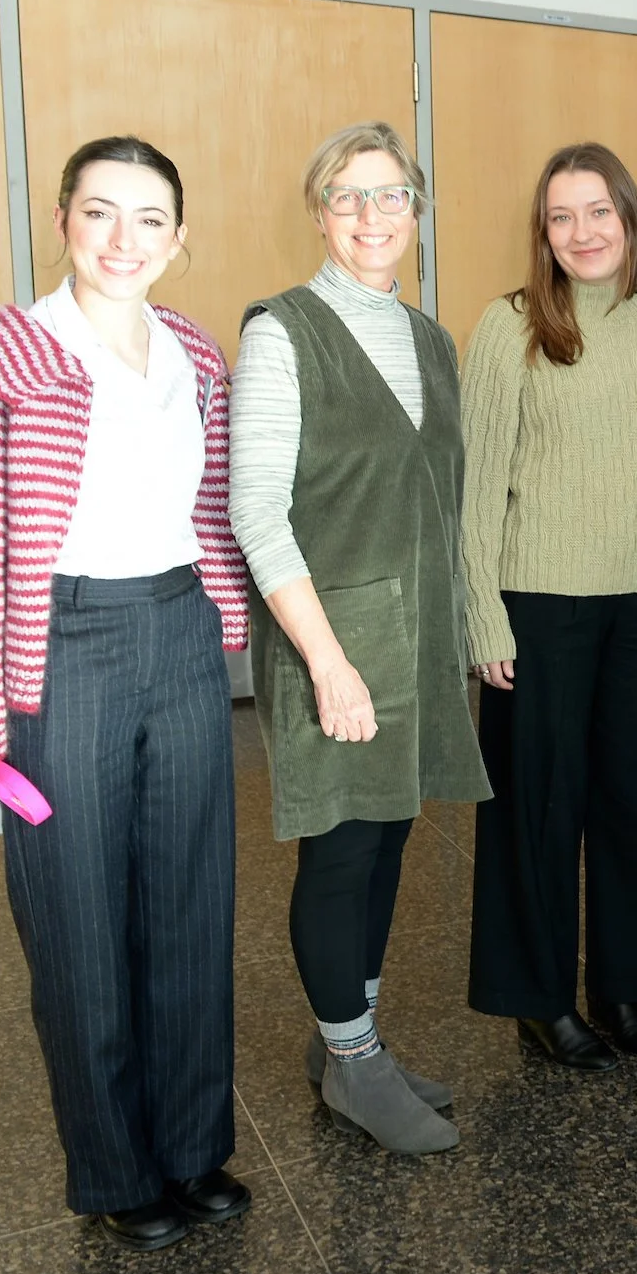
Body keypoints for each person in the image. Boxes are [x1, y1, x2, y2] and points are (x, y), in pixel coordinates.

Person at [0, 136, 250, 1250]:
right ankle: (114, 1171)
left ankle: (194, 1149)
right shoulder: (14, 356)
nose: (122, 241)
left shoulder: (195, 355)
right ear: (62, 222)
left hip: (179, 632)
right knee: (79, 916)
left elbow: (213, 510)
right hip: (62, 645)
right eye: (99, 214)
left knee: (192, 903)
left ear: (179, 239)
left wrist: (235, 623)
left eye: (149, 219)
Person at [230, 121, 489, 1155]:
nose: (370, 216)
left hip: (413, 635)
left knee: (386, 837)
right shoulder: (281, 331)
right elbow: (257, 508)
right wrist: (328, 662)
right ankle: (352, 1065)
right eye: (347, 196)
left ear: (416, 212)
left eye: (389, 196)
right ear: (318, 210)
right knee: (339, 850)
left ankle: (352, 1037)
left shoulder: (430, 337)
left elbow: (442, 501)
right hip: (329, 639)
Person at [461, 143, 637, 1071]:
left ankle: (624, 984)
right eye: (562, 217)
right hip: (539, 603)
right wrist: (483, 613)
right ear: (543, 233)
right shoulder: (509, 326)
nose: (582, 232)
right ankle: (540, 996)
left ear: (629, 220)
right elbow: (477, 486)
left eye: (598, 212)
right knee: (539, 807)